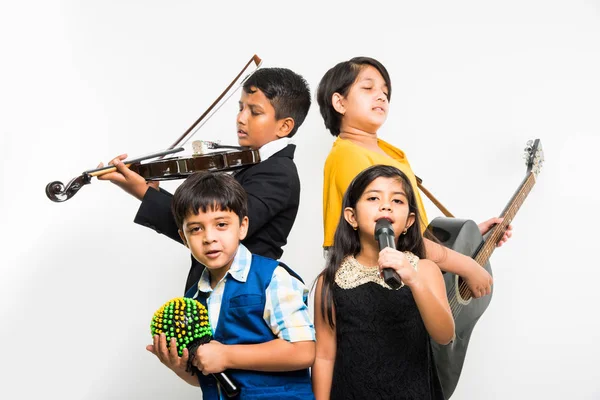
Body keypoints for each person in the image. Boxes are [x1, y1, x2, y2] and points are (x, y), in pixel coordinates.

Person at [98, 67, 311, 292]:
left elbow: (215, 228)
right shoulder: (253, 162)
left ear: (285, 125)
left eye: (254, 112)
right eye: (240, 108)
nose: (241, 119)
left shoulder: (277, 173)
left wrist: (144, 193)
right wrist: (151, 192)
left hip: (243, 294)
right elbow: (205, 218)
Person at [317, 56, 512, 299]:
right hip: (378, 289)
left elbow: (411, 230)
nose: (381, 96)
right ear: (339, 102)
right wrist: (466, 265)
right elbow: (396, 239)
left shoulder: (388, 153)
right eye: (368, 88)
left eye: (385, 92)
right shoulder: (349, 155)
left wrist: (470, 237)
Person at [147, 171, 316, 399]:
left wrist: (226, 355)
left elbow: (303, 350)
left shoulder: (273, 277)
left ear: (242, 226)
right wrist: (178, 366)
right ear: (183, 238)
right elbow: (209, 375)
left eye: (221, 224)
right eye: (196, 229)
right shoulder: (193, 298)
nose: (209, 237)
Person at [312, 165, 454, 399]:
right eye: (373, 197)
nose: (386, 205)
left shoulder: (424, 270)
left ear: (409, 221)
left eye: (397, 201)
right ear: (352, 217)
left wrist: (415, 281)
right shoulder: (331, 280)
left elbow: (444, 335)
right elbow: (325, 355)